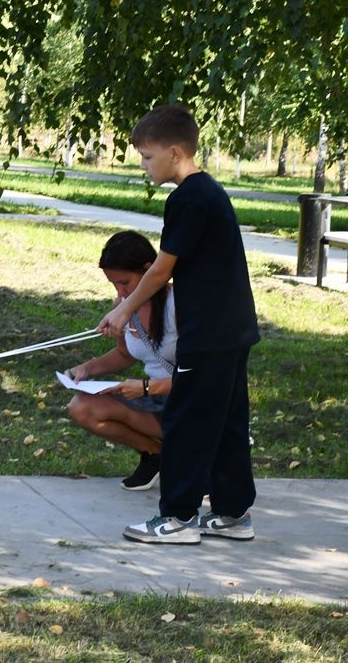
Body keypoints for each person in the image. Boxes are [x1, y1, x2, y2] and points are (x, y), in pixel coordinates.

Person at [98, 104, 259, 545]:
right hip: (233, 327)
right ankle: (232, 513)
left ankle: (178, 519)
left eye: (148, 157)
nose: (144, 165)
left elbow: (160, 269)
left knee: (188, 421)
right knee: (226, 421)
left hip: (208, 332)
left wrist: (124, 308)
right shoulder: (210, 191)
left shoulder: (186, 198)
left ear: (174, 152)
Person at [66, 231, 176, 491]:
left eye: (125, 282)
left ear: (149, 270)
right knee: (81, 406)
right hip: (156, 397)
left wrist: (146, 387)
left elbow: (202, 375)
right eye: (114, 284)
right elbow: (125, 354)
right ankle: (157, 455)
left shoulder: (178, 304)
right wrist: (87, 369)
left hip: (190, 400)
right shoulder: (124, 306)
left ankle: (198, 454)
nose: (120, 292)